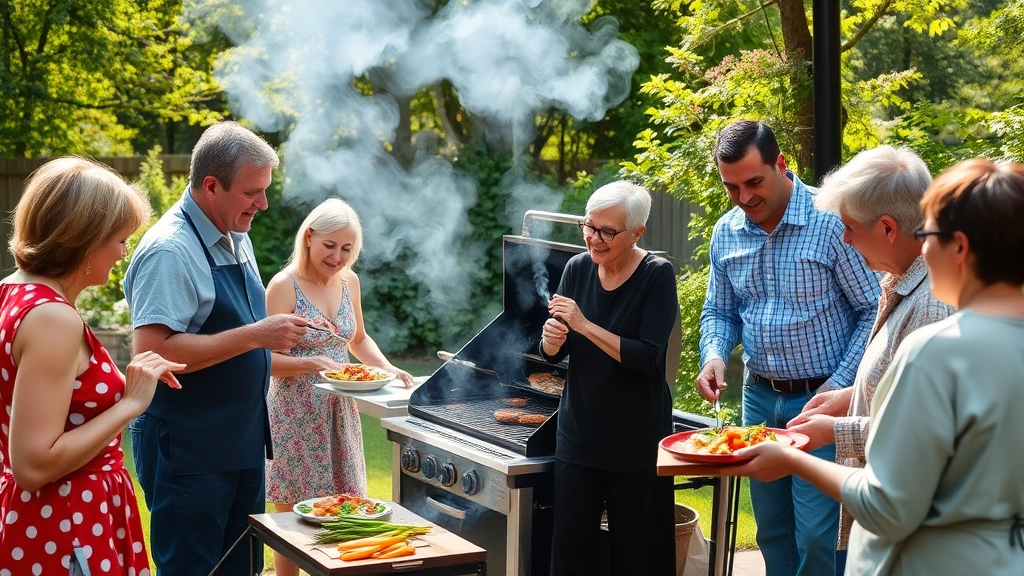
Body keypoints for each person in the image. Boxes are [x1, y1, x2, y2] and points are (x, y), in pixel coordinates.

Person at [735, 158, 1024, 576]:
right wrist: (854, 395)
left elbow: (887, 506)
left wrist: (793, 461)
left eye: (928, 233)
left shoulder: (934, 342)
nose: (922, 245)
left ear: (959, 247)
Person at [695, 120, 880, 576]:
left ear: (780, 164)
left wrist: (837, 389)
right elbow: (719, 311)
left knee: (817, 535)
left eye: (753, 182)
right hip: (758, 397)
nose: (743, 197)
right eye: (731, 187)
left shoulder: (831, 221)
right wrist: (714, 355)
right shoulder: (726, 231)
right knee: (772, 530)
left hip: (822, 398)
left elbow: (872, 310)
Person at [124, 121, 308, 575]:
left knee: (242, 567)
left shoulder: (235, 233)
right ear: (211, 186)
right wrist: (258, 335)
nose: (263, 204)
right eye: (251, 192)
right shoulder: (170, 251)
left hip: (240, 442)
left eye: (264, 190)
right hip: (191, 450)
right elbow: (152, 354)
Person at [0, 157, 184, 575]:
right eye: (120, 239)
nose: (123, 252)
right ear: (85, 240)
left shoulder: (11, 292)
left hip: (47, 520)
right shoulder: (52, 318)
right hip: (66, 528)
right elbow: (33, 465)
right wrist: (130, 404)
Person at [785, 146, 955, 550]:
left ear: (888, 228)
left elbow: (926, 435)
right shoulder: (906, 281)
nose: (845, 238)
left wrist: (834, 431)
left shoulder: (932, 306)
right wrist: (851, 395)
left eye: (849, 227)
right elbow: (905, 388)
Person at [264, 197, 413, 576]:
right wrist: (309, 363)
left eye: (347, 248)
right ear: (309, 237)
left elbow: (358, 339)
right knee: (294, 523)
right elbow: (265, 362)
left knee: (345, 512)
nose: (337, 257)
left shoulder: (349, 281)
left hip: (339, 412)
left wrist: (386, 368)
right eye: (329, 246)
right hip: (294, 416)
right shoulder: (283, 286)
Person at [540, 181, 678, 576]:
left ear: (637, 233)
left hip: (636, 441)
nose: (593, 238)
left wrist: (584, 325)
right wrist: (551, 341)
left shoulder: (656, 275)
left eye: (606, 231)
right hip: (579, 434)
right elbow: (555, 352)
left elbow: (646, 357)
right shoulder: (577, 268)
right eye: (588, 226)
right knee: (570, 551)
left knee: (636, 555)